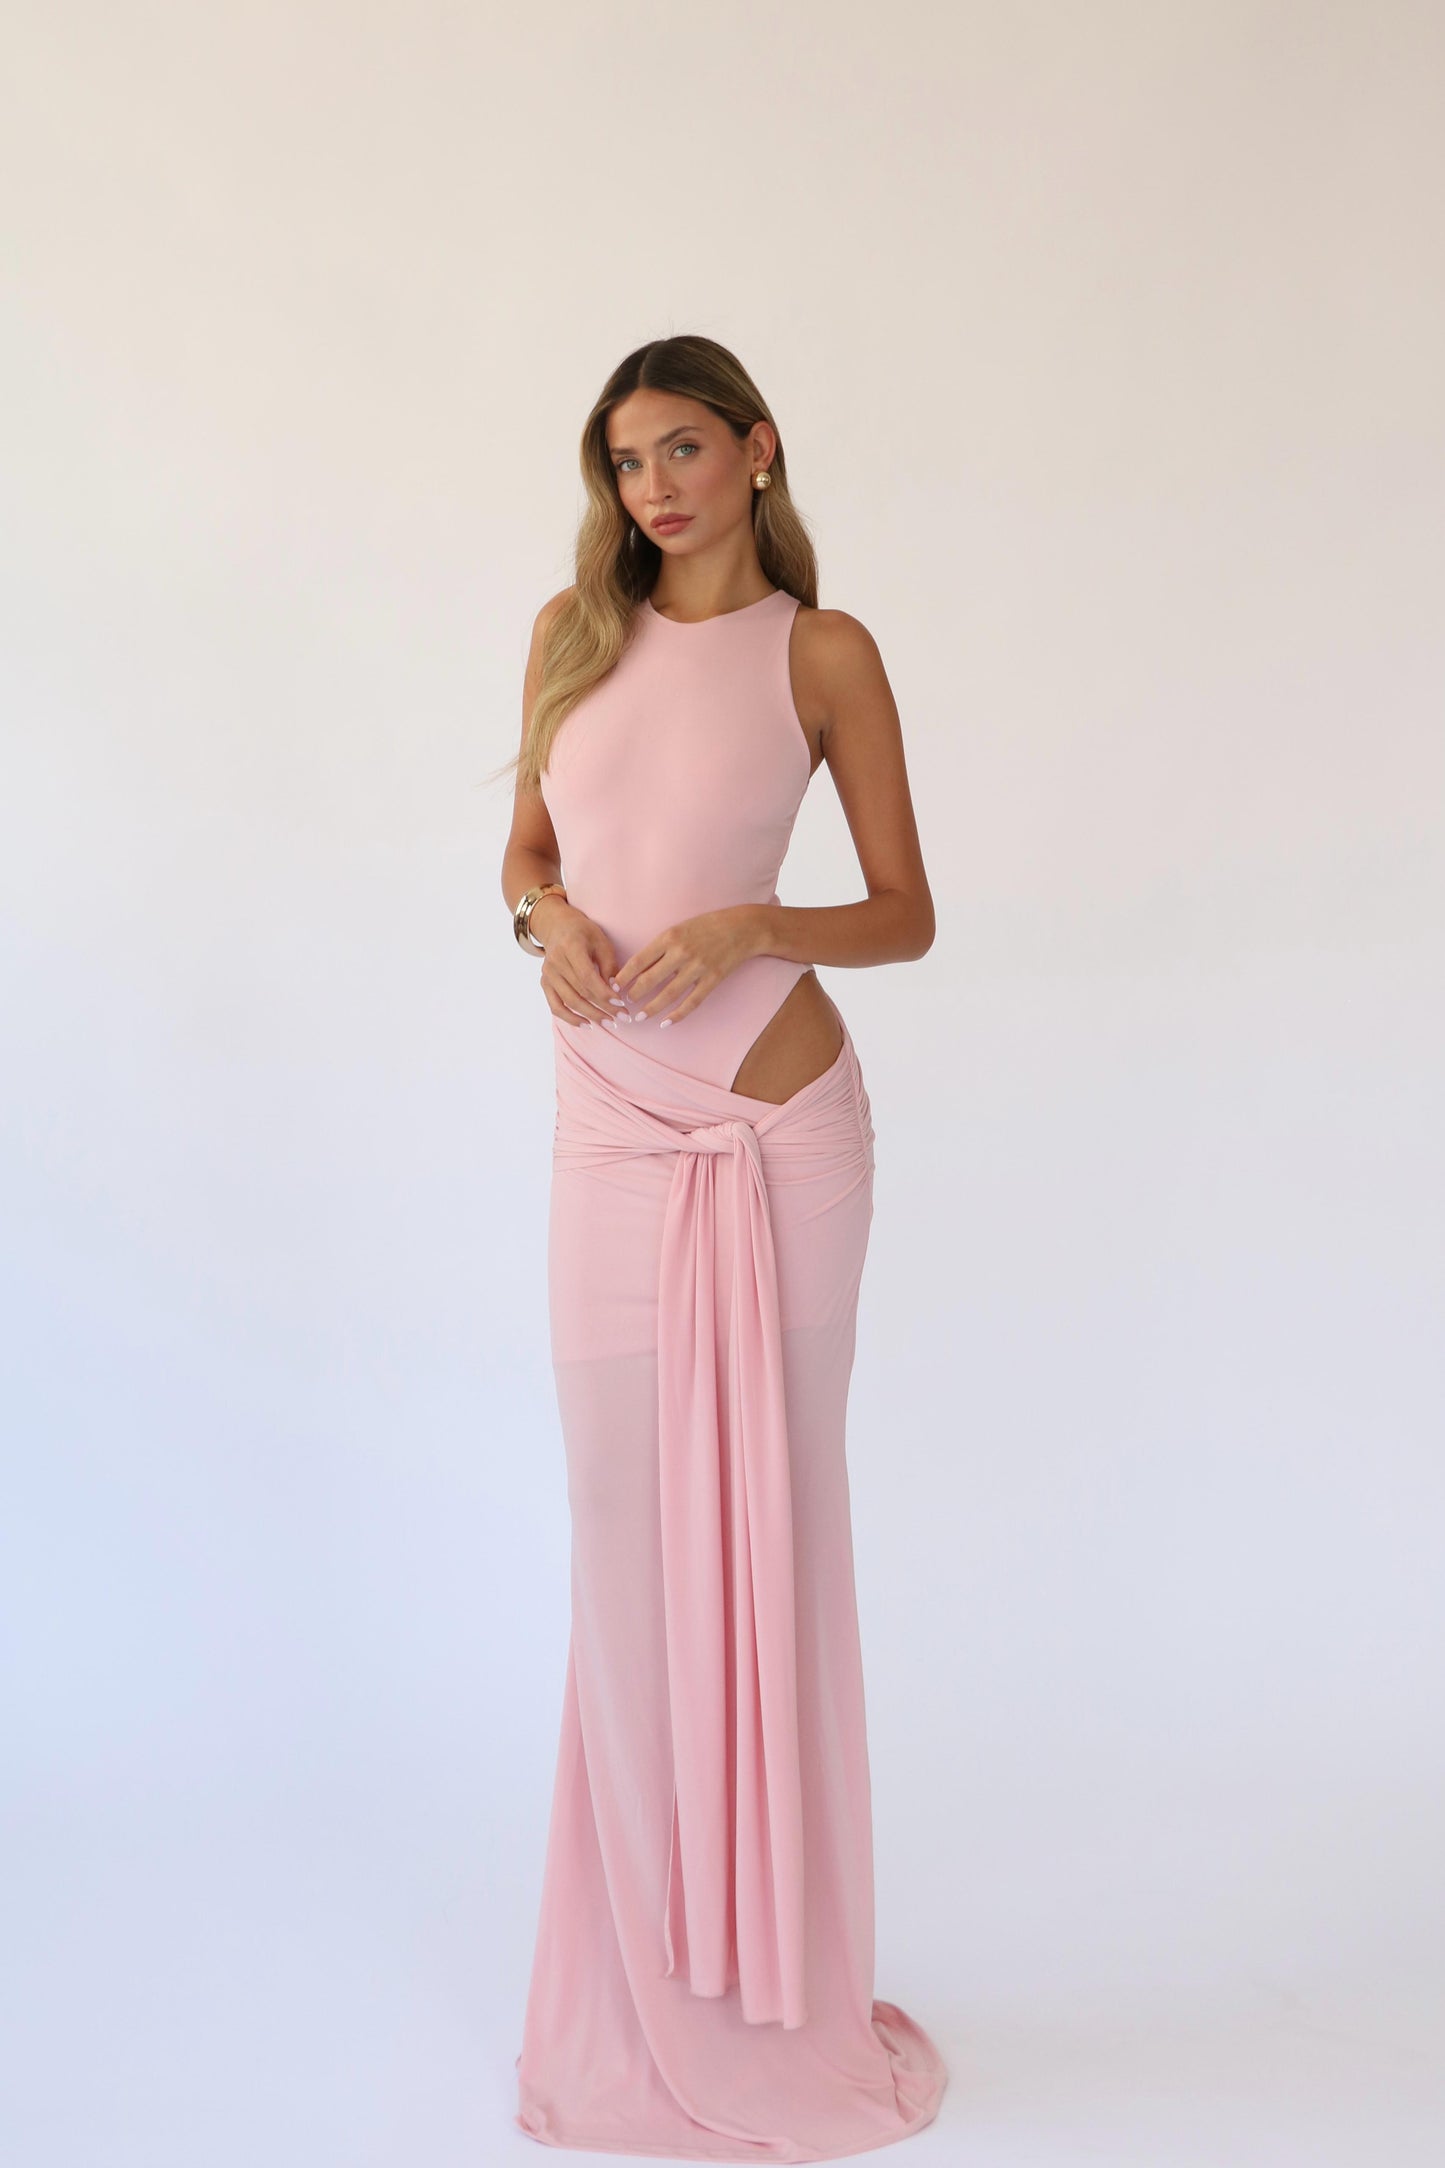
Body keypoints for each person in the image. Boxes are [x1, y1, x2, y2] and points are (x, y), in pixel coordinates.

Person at [499, 332, 945, 2159]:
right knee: (620, 1533)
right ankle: (644, 1984)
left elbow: (907, 914)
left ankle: (781, 1993)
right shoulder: (570, 631)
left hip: (779, 1135)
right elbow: (524, 855)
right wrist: (543, 924)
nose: (653, 488)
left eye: (681, 449)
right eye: (625, 462)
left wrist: (753, 921)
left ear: (757, 450)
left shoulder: (820, 652)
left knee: (772, 1529)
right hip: (608, 1125)